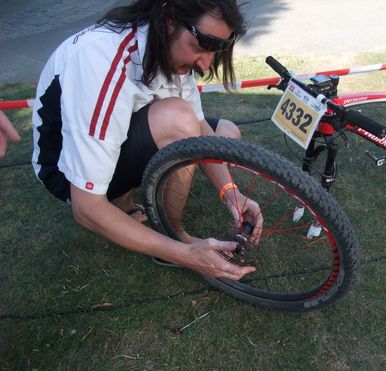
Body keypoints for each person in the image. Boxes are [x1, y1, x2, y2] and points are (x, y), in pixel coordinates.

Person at [32, 0, 263, 280]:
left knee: (226, 133)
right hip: (64, 172)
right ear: (169, 20)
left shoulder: (162, 44)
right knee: (179, 120)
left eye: (217, 49)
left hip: (116, 134)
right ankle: (171, 235)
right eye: (202, 44)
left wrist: (232, 193)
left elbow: (202, 131)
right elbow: (86, 209)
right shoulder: (101, 59)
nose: (206, 63)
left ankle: (130, 201)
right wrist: (184, 255)